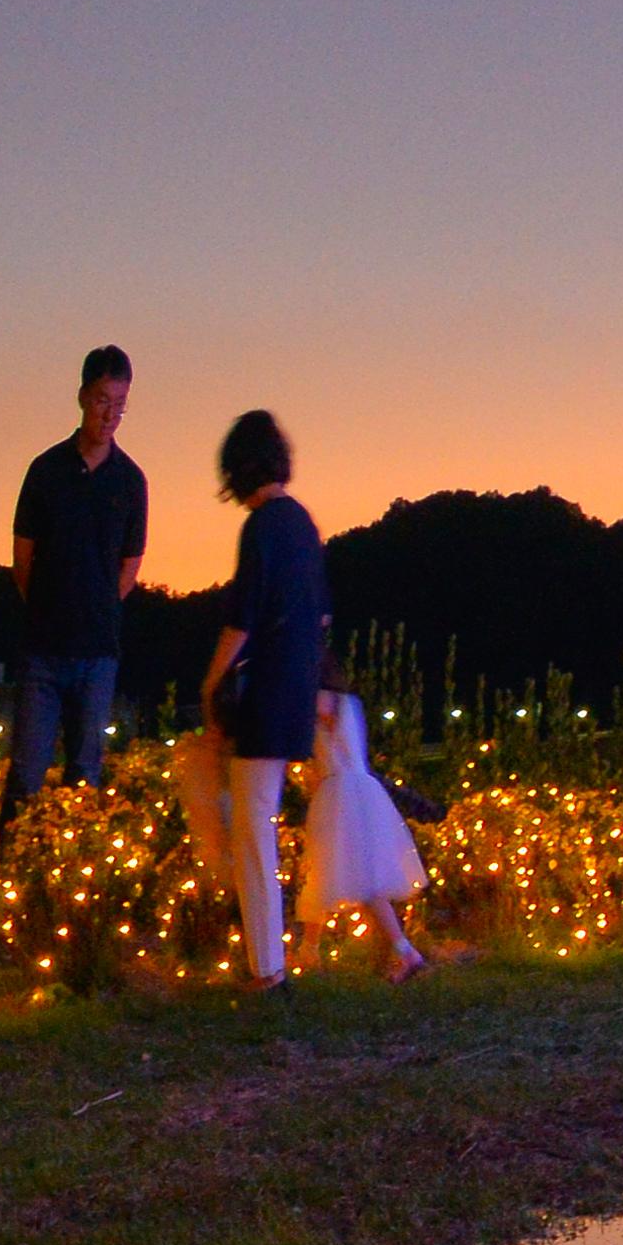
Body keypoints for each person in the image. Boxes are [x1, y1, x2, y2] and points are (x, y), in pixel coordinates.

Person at [196, 408, 328, 988]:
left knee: (252, 830)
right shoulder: (302, 523)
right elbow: (319, 613)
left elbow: (241, 618)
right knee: (266, 821)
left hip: (264, 693)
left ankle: (265, 968)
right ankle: (278, 956)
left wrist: (210, 681)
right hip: (298, 689)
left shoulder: (262, 527)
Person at [6, 344, 148, 804]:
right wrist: (50, 606)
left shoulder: (130, 481)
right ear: (84, 396)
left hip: (99, 652)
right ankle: (15, 864)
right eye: (104, 401)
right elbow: (23, 558)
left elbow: (130, 563)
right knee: (26, 773)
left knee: (86, 775)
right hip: (43, 651)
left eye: (121, 404)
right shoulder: (46, 471)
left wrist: (99, 606)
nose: (111, 414)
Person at [300, 684, 435, 977]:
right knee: (329, 870)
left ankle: (405, 951)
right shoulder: (348, 703)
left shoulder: (323, 700)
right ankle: (308, 950)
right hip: (352, 789)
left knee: (356, 875)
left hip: (341, 792)